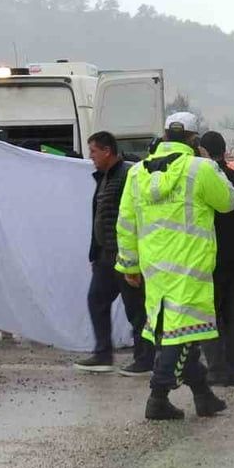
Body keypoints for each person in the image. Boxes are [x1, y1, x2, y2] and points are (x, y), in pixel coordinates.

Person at [116, 113, 234, 420]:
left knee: (179, 333)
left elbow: (126, 224)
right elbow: (229, 202)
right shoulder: (200, 169)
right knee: (182, 335)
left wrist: (130, 265)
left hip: (155, 271)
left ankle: (203, 395)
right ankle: (158, 396)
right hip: (191, 269)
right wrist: (214, 165)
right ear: (195, 140)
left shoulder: (137, 174)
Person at [200, 131, 234, 387]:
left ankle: (216, 370)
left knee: (211, 314)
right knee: (233, 314)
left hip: (214, 261)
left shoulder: (206, 182)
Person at [76, 130, 131, 373]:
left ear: (107, 151)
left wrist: (129, 255)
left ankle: (145, 357)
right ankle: (102, 354)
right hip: (104, 257)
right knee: (96, 299)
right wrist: (94, 253)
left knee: (136, 310)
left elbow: (130, 217)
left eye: (94, 152)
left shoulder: (127, 175)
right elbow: (98, 218)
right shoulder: (105, 177)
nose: (91, 157)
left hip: (125, 256)